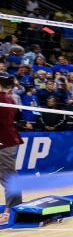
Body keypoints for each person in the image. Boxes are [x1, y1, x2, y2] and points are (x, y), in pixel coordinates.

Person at [0, 74, 21, 223]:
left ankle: (12, 210)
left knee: (8, 177)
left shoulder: (4, 99)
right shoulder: (8, 98)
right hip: (6, 140)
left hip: (4, 142)